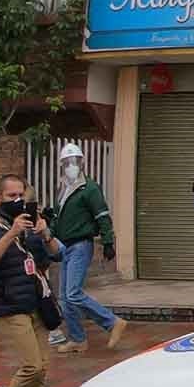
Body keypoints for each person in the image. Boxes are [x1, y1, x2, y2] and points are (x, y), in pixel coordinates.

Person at [0, 175, 65, 387]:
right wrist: (11, 233)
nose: (17, 200)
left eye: (20, 195)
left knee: (42, 369)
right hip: (10, 307)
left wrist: (44, 232)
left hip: (37, 305)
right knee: (31, 366)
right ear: (1, 198)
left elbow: (59, 254)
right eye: (11, 196)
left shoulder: (32, 226)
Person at [52, 143, 125, 353]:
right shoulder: (63, 188)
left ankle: (112, 322)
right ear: (61, 165)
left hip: (81, 245)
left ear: (82, 163)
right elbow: (59, 218)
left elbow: (102, 215)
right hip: (65, 246)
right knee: (64, 299)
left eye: (74, 161)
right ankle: (77, 339)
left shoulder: (89, 188)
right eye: (67, 162)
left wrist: (108, 241)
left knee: (73, 293)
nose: (70, 166)